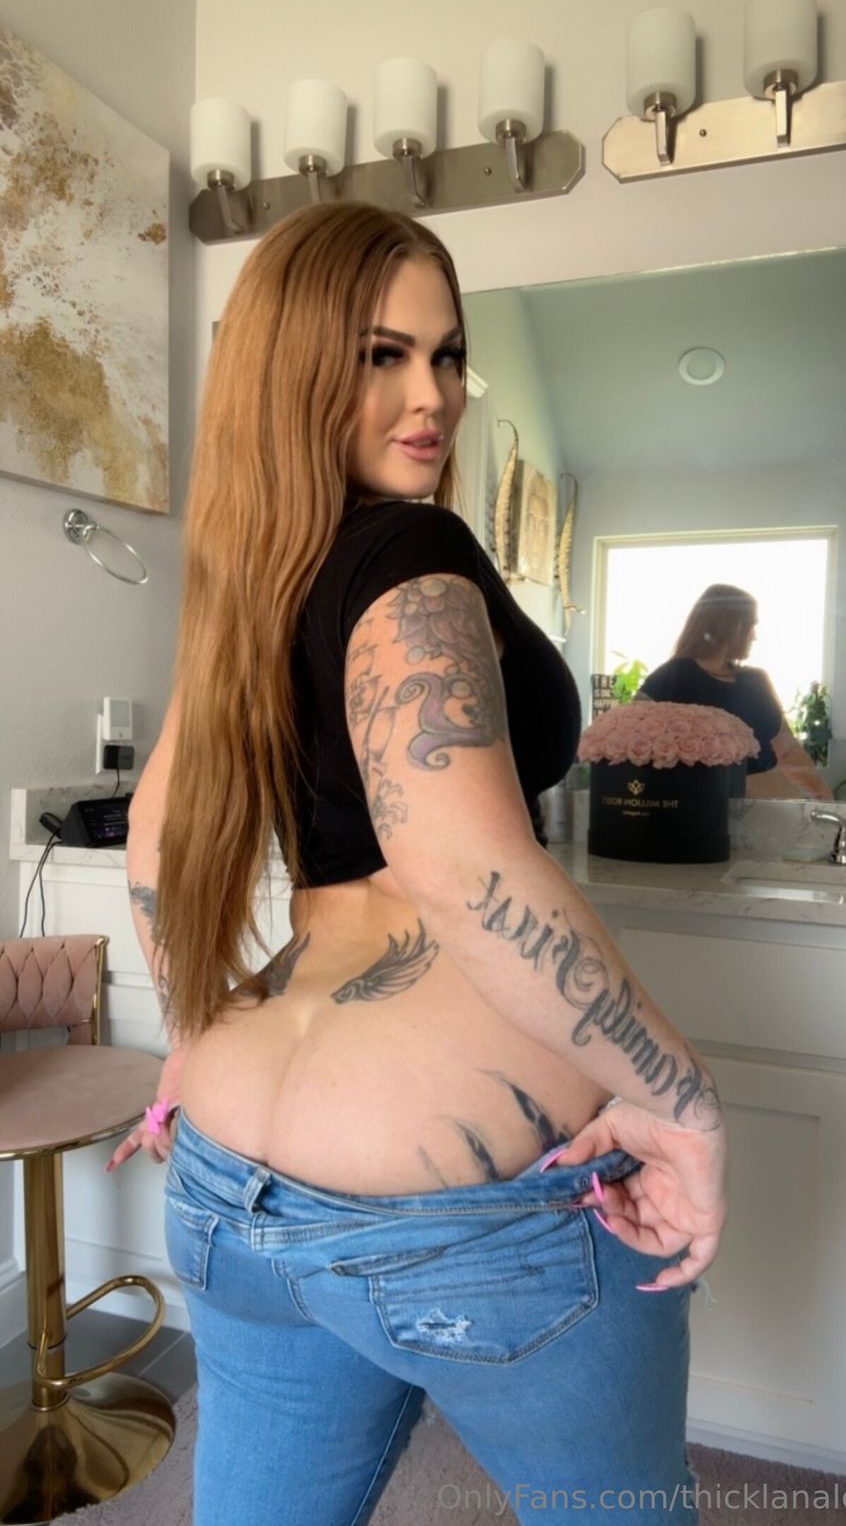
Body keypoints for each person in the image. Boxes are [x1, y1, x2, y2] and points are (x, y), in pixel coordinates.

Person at [107, 202, 727, 1526]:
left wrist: (190, 1040)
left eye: (446, 356)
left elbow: (155, 835)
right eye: (380, 355)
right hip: (464, 1224)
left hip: (227, 1185)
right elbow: (458, 868)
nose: (430, 394)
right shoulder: (412, 550)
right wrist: (678, 1100)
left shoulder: (250, 581)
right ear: (292, 367)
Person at [640, 584, 832, 800]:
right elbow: (637, 747)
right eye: (751, 626)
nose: (754, 636)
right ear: (731, 626)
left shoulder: (756, 681)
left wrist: (825, 799)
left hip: (772, 807)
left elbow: (788, 749)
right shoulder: (670, 678)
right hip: (702, 809)